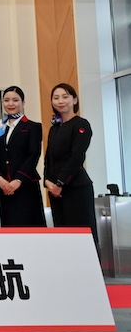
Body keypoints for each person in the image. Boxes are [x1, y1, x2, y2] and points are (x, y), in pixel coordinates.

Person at [44, 83, 96, 242]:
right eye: (56, 97)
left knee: (81, 236)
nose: (61, 101)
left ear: (74, 100)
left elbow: (76, 157)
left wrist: (60, 183)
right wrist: (47, 180)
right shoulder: (55, 128)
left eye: (65, 97)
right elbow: (49, 157)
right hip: (55, 191)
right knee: (63, 236)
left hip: (76, 188)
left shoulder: (81, 124)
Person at [0, 85, 46, 227]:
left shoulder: (33, 127)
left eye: (15, 100)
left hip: (25, 186)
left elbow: (34, 154)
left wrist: (18, 180)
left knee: (30, 228)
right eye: (7, 100)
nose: (10, 104)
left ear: (23, 103)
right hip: (4, 187)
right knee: (9, 228)